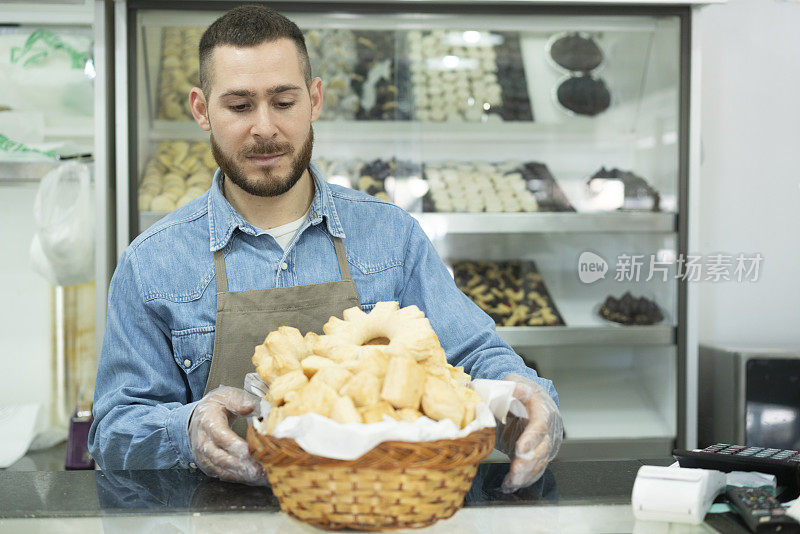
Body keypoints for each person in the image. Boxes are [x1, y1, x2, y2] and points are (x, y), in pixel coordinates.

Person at [89, 5, 562, 493]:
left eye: (283, 101)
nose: (265, 127)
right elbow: (112, 430)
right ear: (202, 110)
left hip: (376, 510)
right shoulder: (151, 263)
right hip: (218, 520)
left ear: (315, 100)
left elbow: (476, 354)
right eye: (239, 105)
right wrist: (186, 430)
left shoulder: (391, 237)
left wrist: (527, 402)